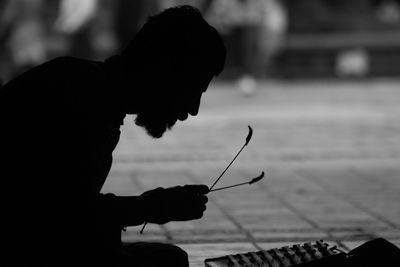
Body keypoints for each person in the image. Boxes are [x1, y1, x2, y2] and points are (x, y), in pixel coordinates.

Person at [0, 5, 226, 267]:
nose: (193, 109)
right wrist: (148, 207)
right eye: (193, 89)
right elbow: (53, 215)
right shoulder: (79, 99)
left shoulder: (87, 89)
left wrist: (147, 207)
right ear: (163, 71)